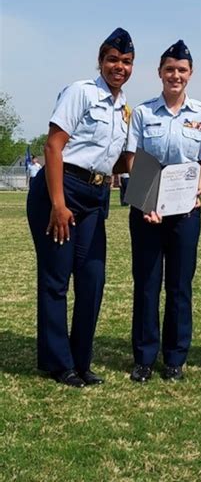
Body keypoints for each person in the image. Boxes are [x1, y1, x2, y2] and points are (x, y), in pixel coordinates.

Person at [27, 27, 135, 387]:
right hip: (61, 190)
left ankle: (81, 360)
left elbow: (117, 163)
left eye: (126, 62)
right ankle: (60, 364)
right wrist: (58, 204)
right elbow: (53, 147)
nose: (119, 67)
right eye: (113, 60)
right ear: (101, 61)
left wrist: (159, 174)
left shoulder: (124, 109)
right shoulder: (81, 92)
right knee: (57, 279)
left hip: (94, 197)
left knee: (92, 279)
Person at [124, 40, 201, 383]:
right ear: (160, 73)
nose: (175, 75)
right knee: (147, 284)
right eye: (169, 69)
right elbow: (133, 158)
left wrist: (198, 188)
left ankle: (175, 358)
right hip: (147, 212)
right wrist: (146, 201)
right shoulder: (143, 112)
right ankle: (144, 358)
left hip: (185, 213)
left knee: (180, 286)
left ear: (190, 74)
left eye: (181, 70)